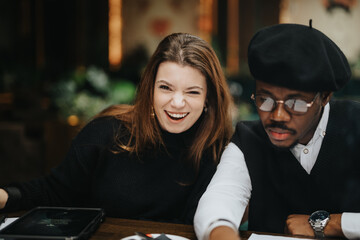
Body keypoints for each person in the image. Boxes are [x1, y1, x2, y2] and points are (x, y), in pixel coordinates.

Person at [0, 33, 234, 224]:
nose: (177, 102)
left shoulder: (218, 151)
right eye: (166, 88)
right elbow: (53, 191)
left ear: (209, 99)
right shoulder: (106, 133)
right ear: (150, 89)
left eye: (192, 91)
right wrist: (5, 197)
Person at [194, 22, 360, 239]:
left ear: (325, 96)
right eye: (265, 99)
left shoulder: (355, 123)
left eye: (296, 103)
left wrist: (332, 224)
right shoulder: (249, 139)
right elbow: (220, 200)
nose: (277, 116)